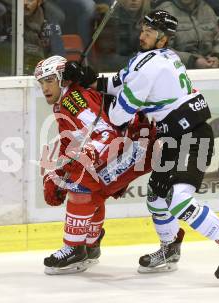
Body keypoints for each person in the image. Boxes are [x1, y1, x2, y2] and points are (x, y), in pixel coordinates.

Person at [75, 10, 219, 283]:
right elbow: (118, 82)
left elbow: (119, 116)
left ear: (164, 39)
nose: (142, 35)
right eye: (143, 29)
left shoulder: (151, 66)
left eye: (149, 32)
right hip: (173, 137)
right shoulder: (154, 59)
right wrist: (90, 80)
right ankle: (170, 249)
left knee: (179, 199)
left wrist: (101, 96)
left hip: (192, 137)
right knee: (157, 197)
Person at [34, 55, 155, 274]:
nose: (44, 87)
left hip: (139, 143)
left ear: (63, 79)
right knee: (91, 188)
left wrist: (82, 160)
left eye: (50, 80)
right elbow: (71, 141)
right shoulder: (65, 101)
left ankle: (74, 247)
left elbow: (106, 133)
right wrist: (59, 172)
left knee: (83, 184)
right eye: (41, 82)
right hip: (134, 141)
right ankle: (89, 245)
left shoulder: (73, 99)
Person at [154, 0, 219, 69]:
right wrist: (192, 61)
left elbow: (217, 42)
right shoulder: (163, 13)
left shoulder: (207, 10)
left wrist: (217, 57)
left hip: (209, 71)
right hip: (178, 72)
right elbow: (161, 50)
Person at [93, 0, 151, 72]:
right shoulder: (109, 18)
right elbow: (106, 58)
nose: (134, 0)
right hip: (113, 72)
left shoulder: (149, 20)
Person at [23, 0, 65, 75]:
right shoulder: (10, 20)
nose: (25, 3)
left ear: (39, 2)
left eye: (30, 0)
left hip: (43, 75)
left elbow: (58, 58)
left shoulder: (51, 24)